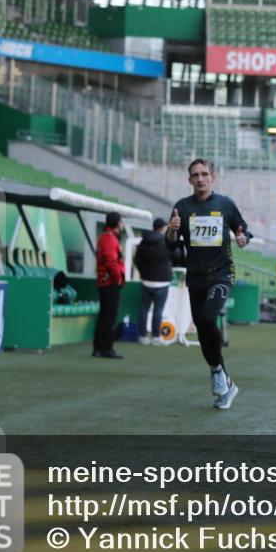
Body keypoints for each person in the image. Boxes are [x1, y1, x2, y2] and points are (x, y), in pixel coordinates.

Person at [166, 158, 252, 410]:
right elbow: (170, 244)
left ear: (213, 177)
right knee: (203, 331)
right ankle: (223, 377)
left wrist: (242, 237)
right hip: (195, 277)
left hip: (222, 274)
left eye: (205, 174)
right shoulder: (181, 207)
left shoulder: (225, 204)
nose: (200, 178)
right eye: (195, 174)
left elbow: (243, 230)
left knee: (206, 318)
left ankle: (217, 372)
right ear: (189, 179)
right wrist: (172, 230)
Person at [133, 217, 173, 346]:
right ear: (162, 228)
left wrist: (144, 273)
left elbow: (136, 260)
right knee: (158, 310)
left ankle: (142, 336)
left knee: (143, 309)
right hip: (162, 282)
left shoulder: (144, 241)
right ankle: (156, 337)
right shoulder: (165, 242)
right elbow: (177, 255)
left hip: (146, 281)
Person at [93, 211, 125, 359]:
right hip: (110, 283)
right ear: (118, 224)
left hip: (105, 282)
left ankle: (99, 348)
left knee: (104, 316)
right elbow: (111, 262)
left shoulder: (106, 238)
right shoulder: (110, 239)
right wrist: (118, 279)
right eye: (121, 222)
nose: (123, 225)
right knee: (109, 317)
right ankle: (106, 348)